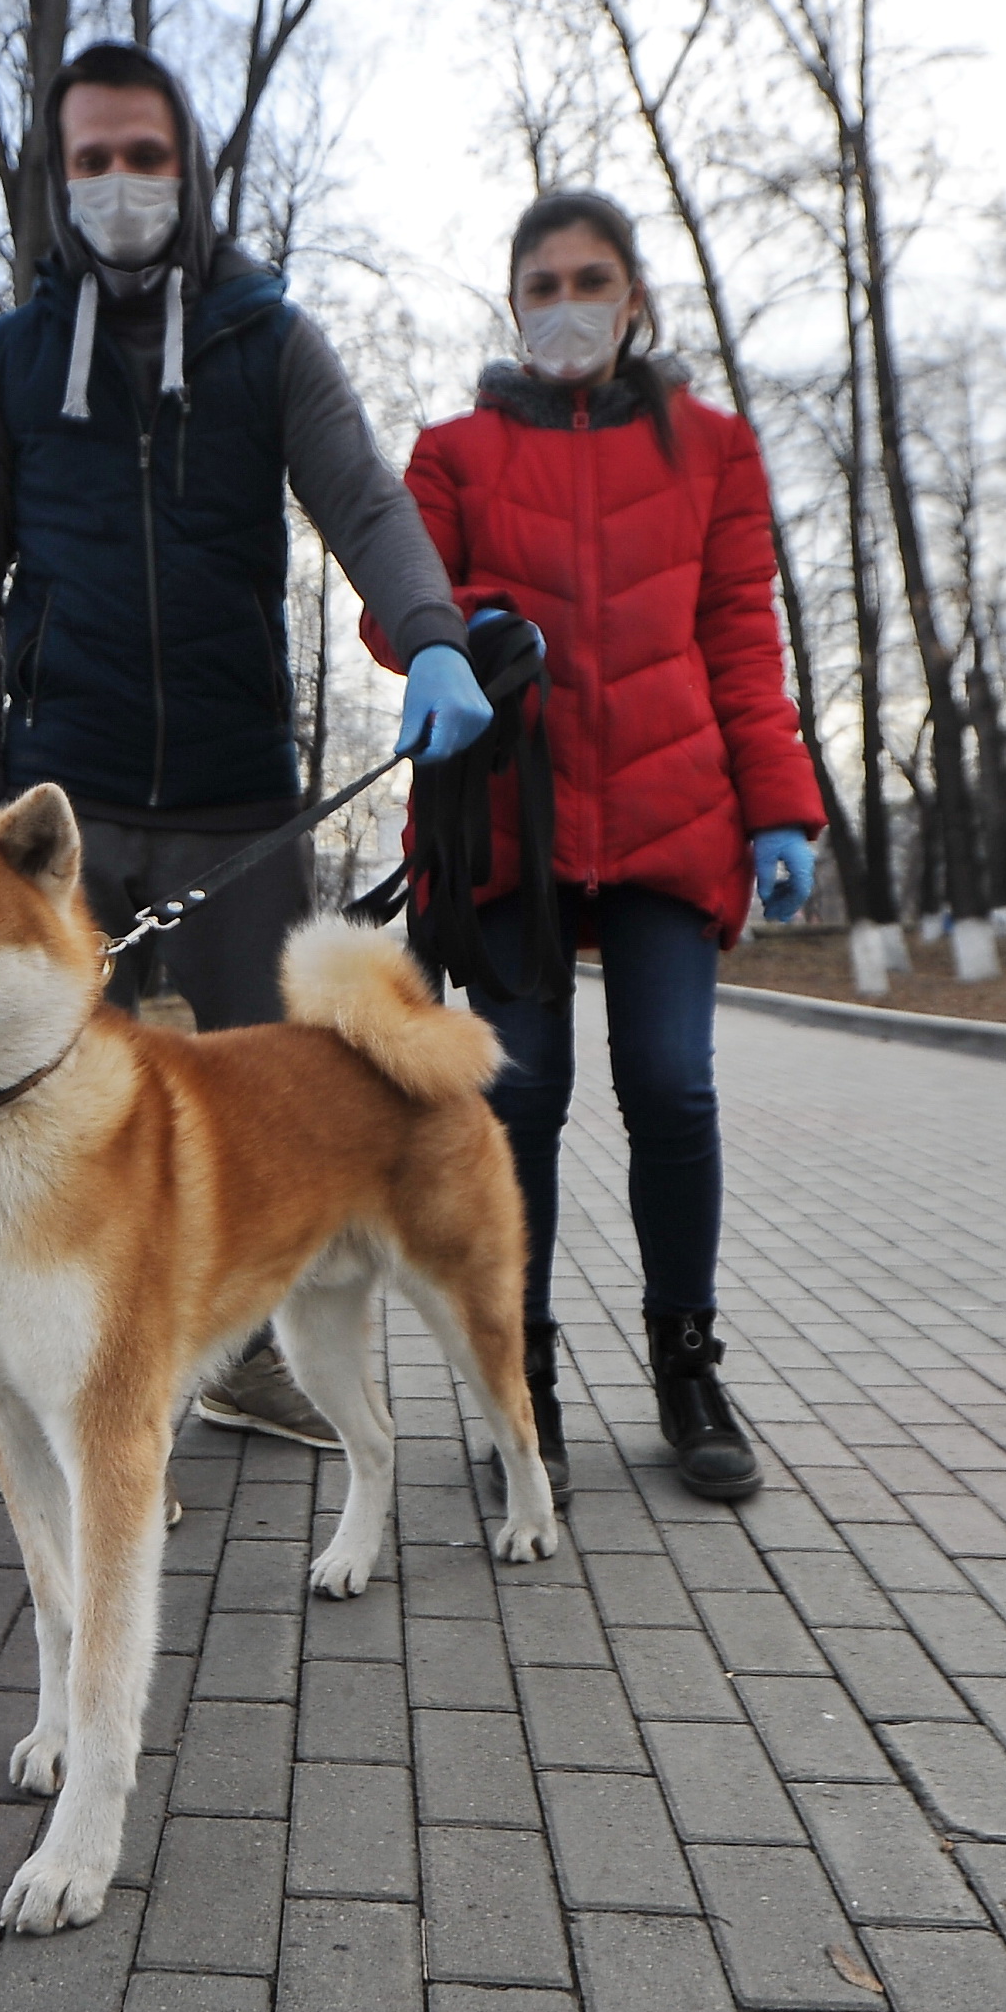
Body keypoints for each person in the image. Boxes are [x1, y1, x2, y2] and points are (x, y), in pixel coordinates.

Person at [0, 38, 494, 1449]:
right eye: (92, 160)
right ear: (58, 181)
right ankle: (68, 1350)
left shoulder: (267, 339)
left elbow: (363, 496)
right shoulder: (5, 370)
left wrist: (432, 631)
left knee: (271, 1108)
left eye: (146, 156)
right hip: (61, 810)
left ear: (186, 170)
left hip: (241, 798)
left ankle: (242, 1354)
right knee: (50, 1104)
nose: (121, 184)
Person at [368, 191, 822, 1502]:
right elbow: (399, 604)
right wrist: (456, 631)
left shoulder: (716, 449)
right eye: (542, 284)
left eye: (593, 279)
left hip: (677, 813)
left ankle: (687, 1361)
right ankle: (526, 1381)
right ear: (513, 306)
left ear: (636, 298)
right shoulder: (451, 450)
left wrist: (780, 801)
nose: (568, 304)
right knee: (520, 1100)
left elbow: (742, 634)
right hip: (511, 814)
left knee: (673, 1086)